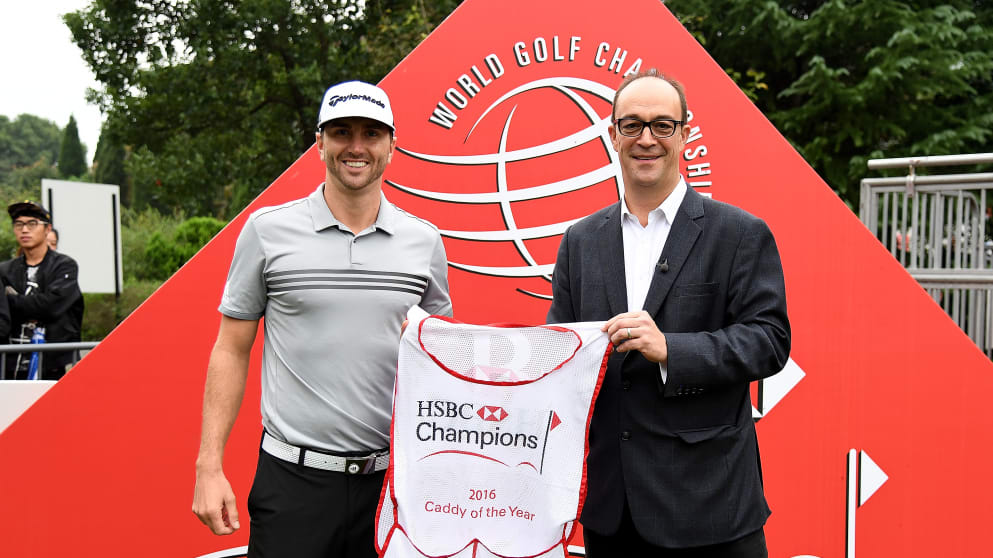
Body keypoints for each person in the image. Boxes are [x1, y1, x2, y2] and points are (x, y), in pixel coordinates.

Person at [192, 80, 453, 558]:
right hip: (293, 485)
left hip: (393, 489)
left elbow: (439, 359)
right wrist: (208, 466)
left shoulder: (424, 241)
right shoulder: (268, 231)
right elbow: (230, 348)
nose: (356, 147)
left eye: (371, 134)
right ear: (320, 143)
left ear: (392, 146)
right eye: (341, 132)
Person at [546, 69, 791, 557]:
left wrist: (670, 350)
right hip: (612, 513)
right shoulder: (580, 241)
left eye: (662, 125)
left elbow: (770, 340)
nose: (646, 139)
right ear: (612, 134)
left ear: (684, 132)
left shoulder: (739, 233)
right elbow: (560, 351)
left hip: (711, 509)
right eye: (632, 125)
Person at [0, 201, 84, 381]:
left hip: (51, 362)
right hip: (10, 361)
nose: (24, 230)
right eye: (19, 224)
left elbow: (51, 306)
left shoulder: (64, 266)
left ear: (47, 229)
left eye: (32, 224)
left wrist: (10, 300)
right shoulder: (5, 270)